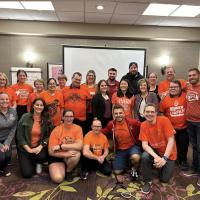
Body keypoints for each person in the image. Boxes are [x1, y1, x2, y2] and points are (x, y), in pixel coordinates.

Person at [139, 103, 177, 194]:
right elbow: (144, 145)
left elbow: (171, 140)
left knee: (164, 180)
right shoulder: (143, 125)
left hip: (169, 153)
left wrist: (164, 158)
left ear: (156, 113)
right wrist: (156, 157)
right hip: (156, 151)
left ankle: (159, 165)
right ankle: (147, 181)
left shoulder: (164, 120)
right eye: (147, 112)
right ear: (143, 113)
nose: (150, 114)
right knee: (144, 156)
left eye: (152, 112)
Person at [102, 104, 141, 182]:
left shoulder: (132, 122)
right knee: (117, 172)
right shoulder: (111, 124)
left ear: (124, 113)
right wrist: (94, 130)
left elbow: (144, 127)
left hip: (133, 147)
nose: (118, 115)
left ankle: (134, 168)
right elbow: (104, 131)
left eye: (120, 113)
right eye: (116, 113)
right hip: (120, 150)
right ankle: (127, 161)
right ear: (113, 114)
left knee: (136, 157)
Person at [16, 98, 53, 178]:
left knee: (43, 156)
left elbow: (49, 135)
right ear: (33, 106)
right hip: (25, 148)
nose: (39, 107)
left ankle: (38, 162)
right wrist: (29, 149)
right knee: (27, 174)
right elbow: (19, 135)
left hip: (38, 148)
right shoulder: (25, 117)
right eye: (37, 104)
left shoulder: (47, 118)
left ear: (44, 107)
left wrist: (40, 146)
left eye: (41, 105)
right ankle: (29, 160)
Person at [160, 80, 189, 170]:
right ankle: (170, 159)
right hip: (170, 129)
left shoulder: (186, 96)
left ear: (180, 88)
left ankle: (182, 160)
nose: (173, 89)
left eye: (175, 87)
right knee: (170, 146)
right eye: (171, 87)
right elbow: (161, 113)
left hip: (184, 127)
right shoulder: (165, 99)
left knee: (183, 145)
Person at [48, 109, 83, 183]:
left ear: (73, 118)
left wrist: (61, 146)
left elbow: (79, 146)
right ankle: (62, 168)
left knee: (76, 154)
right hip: (57, 156)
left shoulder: (78, 128)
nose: (69, 118)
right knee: (58, 179)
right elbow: (50, 152)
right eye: (66, 116)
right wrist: (64, 154)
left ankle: (68, 171)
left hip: (69, 156)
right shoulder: (56, 130)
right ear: (63, 118)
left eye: (71, 116)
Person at [184, 68, 200, 186]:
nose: (191, 77)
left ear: (198, 75)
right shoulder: (188, 87)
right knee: (194, 147)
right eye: (189, 75)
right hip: (190, 121)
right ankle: (194, 168)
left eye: (193, 75)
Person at [0, 92, 17, 176]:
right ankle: (1, 169)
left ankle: (2, 168)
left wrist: (7, 142)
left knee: (8, 156)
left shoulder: (13, 111)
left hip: (7, 138)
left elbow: (14, 127)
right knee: (1, 158)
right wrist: (0, 145)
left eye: (6, 99)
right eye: (2, 99)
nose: (4, 101)